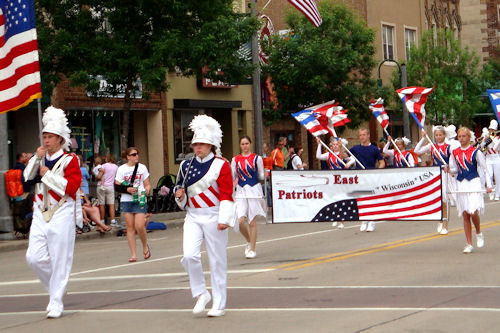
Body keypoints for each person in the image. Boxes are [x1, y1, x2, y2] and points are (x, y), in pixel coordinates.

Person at [24, 106, 82, 319]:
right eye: (44, 136)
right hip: (40, 211)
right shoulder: (38, 157)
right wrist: (34, 159)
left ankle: (56, 301)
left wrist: (48, 175)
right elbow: (26, 179)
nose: (46, 140)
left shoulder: (70, 160)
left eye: (50, 137)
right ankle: (56, 287)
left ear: (59, 139)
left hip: (61, 210)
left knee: (60, 258)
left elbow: (72, 187)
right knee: (34, 257)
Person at [174, 114, 234, 317]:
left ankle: (219, 303)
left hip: (214, 215)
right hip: (192, 216)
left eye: (202, 144)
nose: (198, 148)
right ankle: (201, 292)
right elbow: (179, 188)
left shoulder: (221, 164)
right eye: (195, 144)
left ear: (210, 146)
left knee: (217, 261)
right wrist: (179, 195)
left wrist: (224, 219)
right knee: (189, 255)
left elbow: (227, 193)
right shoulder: (185, 165)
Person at [447, 127, 493, 253]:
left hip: (473, 182)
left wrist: (489, 186)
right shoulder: (454, 152)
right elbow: (455, 169)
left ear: (469, 137)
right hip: (461, 183)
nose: (461, 138)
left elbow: (485, 169)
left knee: (473, 211)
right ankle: (469, 243)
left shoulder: (475, 152)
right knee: (465, 214)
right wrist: (450, 171)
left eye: (464, 136)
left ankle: (478, 232)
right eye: (459, 136)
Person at [231, 136, 266, 259]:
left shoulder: (257, 158)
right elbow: (232, 177)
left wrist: (265, 174)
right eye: (242, 144)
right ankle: (248, 240)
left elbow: (261, 175)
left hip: (254, 190)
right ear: (240, 145)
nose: (245, 146)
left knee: (252, 221)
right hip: (240, 191)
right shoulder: (235, 160)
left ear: (250, 144)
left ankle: (252, 249)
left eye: (246, 143)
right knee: (240, 221)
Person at [115, 147, 152, 263]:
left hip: (140, 199)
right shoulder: (121, 169)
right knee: (130, 228)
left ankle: (145, 246)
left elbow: (147, 184)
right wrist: (127, 189)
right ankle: (133, 254)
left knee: (139, 225)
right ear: (128, 157)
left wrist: (147, 189)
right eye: (134, 154)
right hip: (127, 200)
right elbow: (117, 186)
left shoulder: (142, 168)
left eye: (137, 154)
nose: (136, 156)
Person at [415, 126, 452, 234]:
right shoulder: (431, 146)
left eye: (440, 135)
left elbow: (453, 161)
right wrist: (423, 138)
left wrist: (449, 167)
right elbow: (417, 151)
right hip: (435, 174)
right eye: (436, 135)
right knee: (437, 199)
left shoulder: (449, 147)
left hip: (445, 174)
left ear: (444, 135)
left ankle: (445, 224)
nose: (438, 137)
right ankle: (440, 219)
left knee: (445, 200)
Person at [350, 128, 385, 232]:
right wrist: (340, 147)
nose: (362, 137)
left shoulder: (374, 149)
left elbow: (382, 162)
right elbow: (344, 155)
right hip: (359, 178)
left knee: (371, 199)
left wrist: (378, 171)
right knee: (361, 199)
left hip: (370, 177)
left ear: (368, 135)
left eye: (364, 135)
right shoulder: (355, 149)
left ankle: (372, 221)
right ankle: (364, 219)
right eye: (360, 135)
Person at [315, 137, 355, 229]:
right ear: (331, 146)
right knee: (333, 199)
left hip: (342, 180)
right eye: (333, 145)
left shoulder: (342, 154)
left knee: (341, 199)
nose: (335, 146)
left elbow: (352, 159)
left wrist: (349, 163)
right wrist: (319, 144)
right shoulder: (329, 154)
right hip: (333, 180)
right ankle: (336, 217)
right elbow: (318, 156)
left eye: (337, 144)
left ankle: (341, 220)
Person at [97, 154, 119, 227]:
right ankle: (112, 220)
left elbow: (99, 177)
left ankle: (102, 220)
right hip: (110, 187)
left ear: (107, 158)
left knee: (102, 204)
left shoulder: (103, 166)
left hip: (101, 186)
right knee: (111, 204)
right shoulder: (116, 167)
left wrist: (97, 175)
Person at [483, 120, 500, 200]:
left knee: (497, 177)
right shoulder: (486, 138)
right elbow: (483, 150)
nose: (491, 131)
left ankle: (497, 194)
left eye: (493, 129)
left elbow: (496, 148)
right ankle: (491, 191)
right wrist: (484, 141)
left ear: (495, 130)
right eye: (490, 129)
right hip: (488, 158)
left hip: (496, 157)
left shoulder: (498, 138)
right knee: (488, 175)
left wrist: (492, 140)